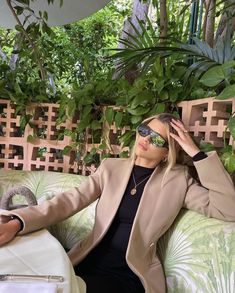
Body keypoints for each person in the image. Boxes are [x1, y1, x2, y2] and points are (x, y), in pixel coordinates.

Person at [0, 113, 235, 293]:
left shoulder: (177, 181)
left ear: (167, 152)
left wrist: (196, 154)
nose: (145, 139)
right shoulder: (111, 168)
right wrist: (17, 223)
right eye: (144, 130)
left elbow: (227, 208)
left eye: (156, 139)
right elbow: (68, 202)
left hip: (129, 274)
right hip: (88, 259)